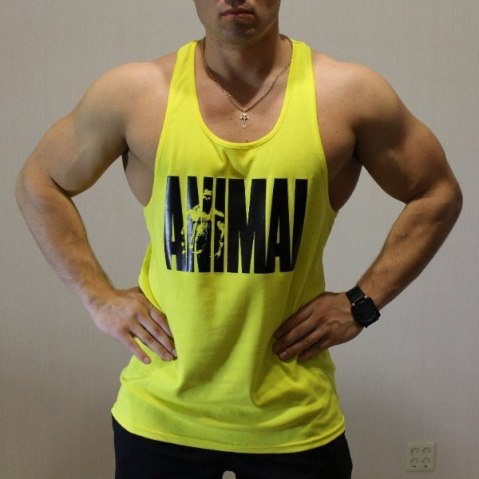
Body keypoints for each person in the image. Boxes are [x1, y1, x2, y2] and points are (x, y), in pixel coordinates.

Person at [16, 1, 462, 478]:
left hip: (294, 420)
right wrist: (98, 298)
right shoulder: (135, 93)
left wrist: (361, 304)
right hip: (162, 417)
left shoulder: (348, 94)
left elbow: (436, 194)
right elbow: (39, 182)